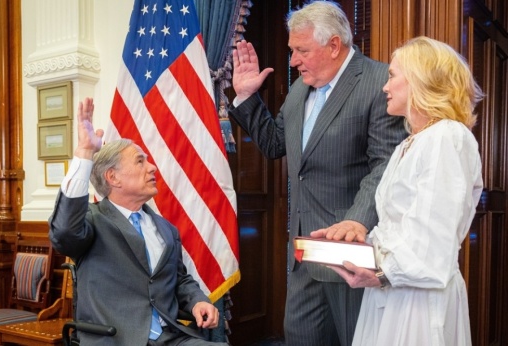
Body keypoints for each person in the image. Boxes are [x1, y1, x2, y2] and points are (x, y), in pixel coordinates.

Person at [228, 1, 406, 345]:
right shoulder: (299, 89)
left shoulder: (378, 83)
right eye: (292, 50)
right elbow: (274, 144)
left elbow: (385, 165)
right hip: (304, 255)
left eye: (301, 50)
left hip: (352, 253)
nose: (293, 60)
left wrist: (355, 223)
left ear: (334, 45)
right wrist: (247, 97)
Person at [314, 36, 483, 346]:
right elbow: (397, 226)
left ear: (421, 80)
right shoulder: (409, 143)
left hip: (418, 301)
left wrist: (382, 272)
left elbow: (433, 237)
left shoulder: (447, 137)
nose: (384, 87)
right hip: (393, 290)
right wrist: (357, 245)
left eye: (392, 76)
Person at [49, 98, 229, 346]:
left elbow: (180, 280)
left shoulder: (166, 229)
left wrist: (198, 300)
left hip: (171, 337)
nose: (152, 167)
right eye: (140, 161)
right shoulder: (92, 221)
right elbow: (64, 233)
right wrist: (84, 154)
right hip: (116, 339)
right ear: (113, 177)